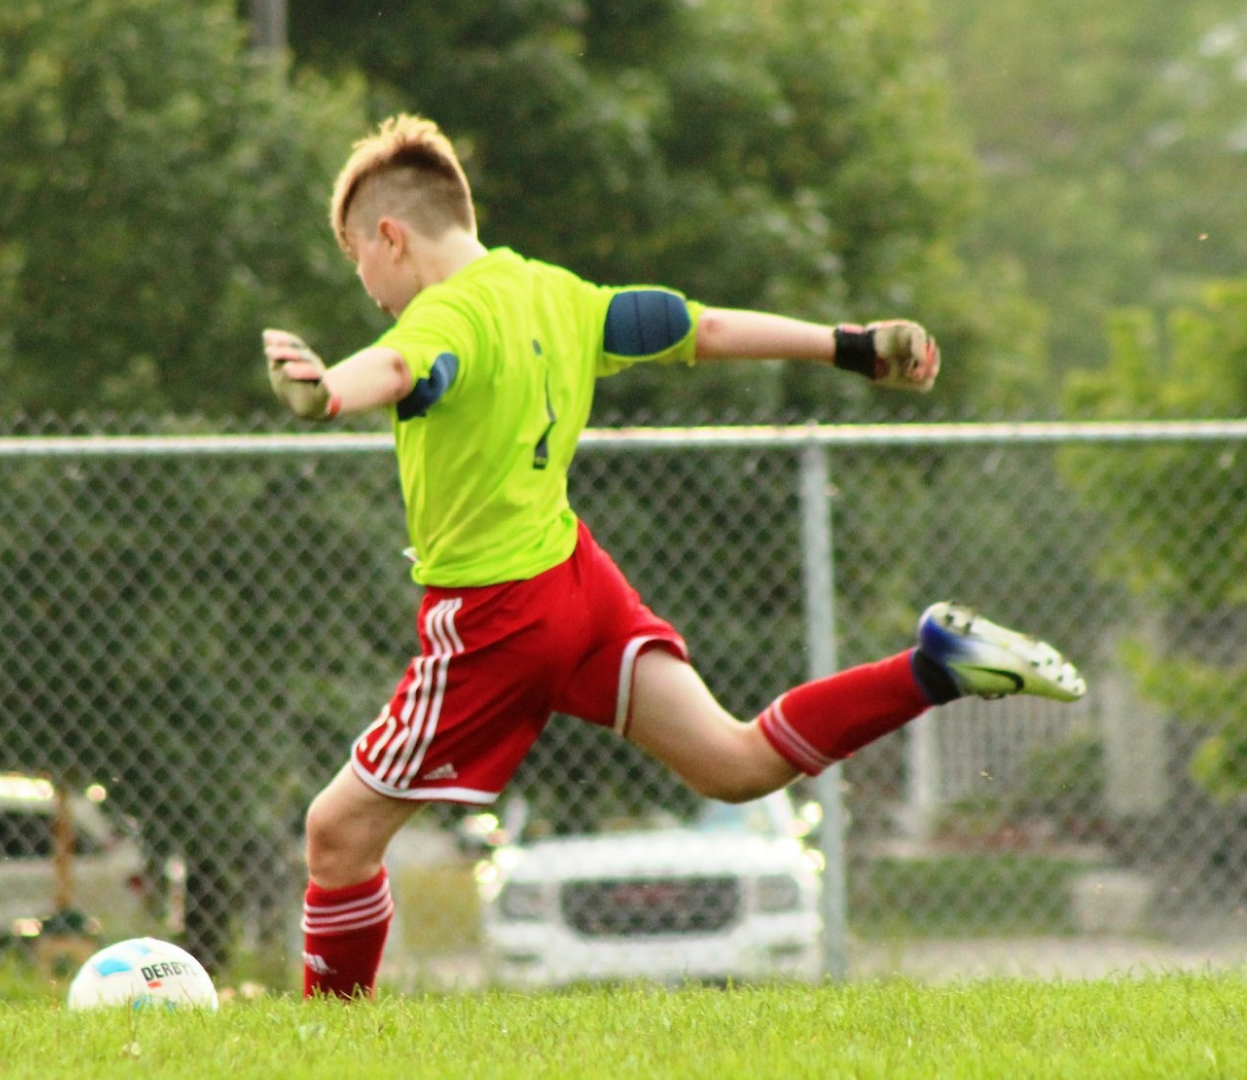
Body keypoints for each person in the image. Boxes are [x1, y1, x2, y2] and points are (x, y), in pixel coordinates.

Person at [262, 115, 1085, 999]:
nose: (368, 287)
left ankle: (324, 1044)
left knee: (337, 834)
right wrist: (846, 345)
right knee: (732, 765)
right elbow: (708, 327)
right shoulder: (558, 295)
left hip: (496, 615)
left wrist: (324, 395)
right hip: (578, 584)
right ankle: (937, 668)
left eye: (358, 259)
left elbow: (394, 369)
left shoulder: (442, 316)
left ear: (391, 235)